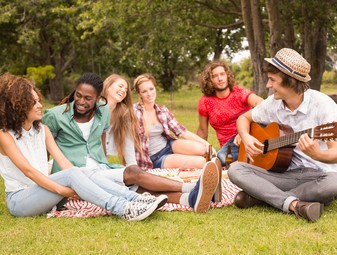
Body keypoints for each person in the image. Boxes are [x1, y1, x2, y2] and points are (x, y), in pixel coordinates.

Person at [0, 72, 166, 222]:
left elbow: (64, 163)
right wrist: (61, 189)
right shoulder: (5, 136)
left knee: (81, 171)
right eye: (33, 102)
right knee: (73, 174)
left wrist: (80, 180)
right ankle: (123, 208)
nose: (39, 105)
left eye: (38, 101)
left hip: (44, 189)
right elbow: (29, 172)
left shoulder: (42, 130)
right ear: (18, 106)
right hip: (20, 199)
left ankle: (134, 198)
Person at [43, 73, 220, 212]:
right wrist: (45, 181)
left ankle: (191, 198)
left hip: (100, 169)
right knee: (134, 176)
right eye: (80, 96)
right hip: (78, 175)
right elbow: (45, 148)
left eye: (125, 88)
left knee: (135, 188)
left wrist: (105, 161)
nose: (82, 102)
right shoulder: (56, 115)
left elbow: (104, 143)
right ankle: (195, 188)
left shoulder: (102, 113)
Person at [228, 48, 337, 222]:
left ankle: (262, 197)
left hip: (317, 176)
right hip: (284, 175)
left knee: (336, 185)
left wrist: (318, 154)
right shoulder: (272, 104)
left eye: (272, 80)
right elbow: (243, 119)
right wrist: (246, 137)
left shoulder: (323, 105)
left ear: (289, 81)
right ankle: (294, 205)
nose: (268, 85)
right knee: (235, 169)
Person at [133, 73, 213, 171]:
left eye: (151, 89)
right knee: (201, 162)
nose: (149, 94)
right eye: (144, 91)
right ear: (139, 94)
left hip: (168, 145)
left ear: (155, 88)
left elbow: (183, 132)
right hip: (156, 157)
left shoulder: (162, 111)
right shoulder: (134, 112)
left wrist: (207, 144)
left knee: (202, 148)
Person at [197, 60, 263, 167]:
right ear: (209, 80)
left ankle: (244, 162)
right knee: (221, 158)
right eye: (215, 76)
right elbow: (202, 131)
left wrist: (243, 133)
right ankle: (245, 161)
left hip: (250, 133)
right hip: (230, 145)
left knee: (222, 159)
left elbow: (261, 103)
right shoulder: (205, 102)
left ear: (227, 75)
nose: (220, 78)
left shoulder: (240, 93)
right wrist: (198, 151)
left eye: (222, 74)